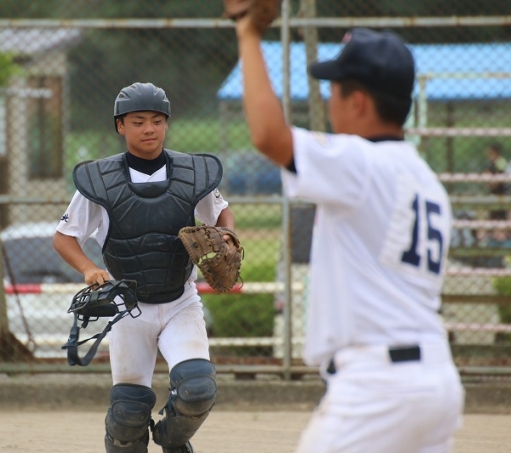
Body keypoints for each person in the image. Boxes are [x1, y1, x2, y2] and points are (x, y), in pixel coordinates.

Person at [232, 20, 464, 453]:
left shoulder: (361, 162)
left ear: (357, 102)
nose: (328, 101)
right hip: (435, 378)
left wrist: (248, 34)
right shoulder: (425, 180)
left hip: (378, 389)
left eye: (334, 91)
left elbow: (268, 136)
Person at [53, 82, 236, 453]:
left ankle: (172, 439)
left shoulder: (193, 173)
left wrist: (227, 237)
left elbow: (221, 214)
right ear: (120, 126)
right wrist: (88, 269)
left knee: (197, 388)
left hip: (180, 301)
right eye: (138, 122)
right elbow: (64, 238)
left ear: (166, 124)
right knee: (128, 414)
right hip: (129, 306)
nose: (149, 129)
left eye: (156, 120)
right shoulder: (100, 181)